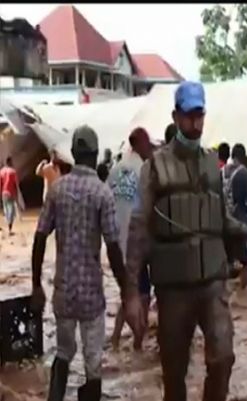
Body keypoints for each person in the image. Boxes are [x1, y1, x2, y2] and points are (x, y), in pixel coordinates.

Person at [124, 81, 247, 401]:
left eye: (200, 115)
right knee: (174, 375)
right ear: (176, 117)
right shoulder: (155, 167)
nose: (195, 123)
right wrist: (132, 294)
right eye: (189, 115)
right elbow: (138, 229)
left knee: (223, 358)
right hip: (174, 288)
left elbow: (222, 221)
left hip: (212, 283)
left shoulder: (211, 164)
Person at [30, 125, 143, 401]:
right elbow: (114, 249)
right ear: (93, 155)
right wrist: (128, 291)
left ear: (74, 153)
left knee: (63, 353)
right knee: (93, 364)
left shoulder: (57, 189)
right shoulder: (102, 193)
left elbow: (40, 238)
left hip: (64, 292)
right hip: (92, 294)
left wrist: (36, 285)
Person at [108, 127, 155, 350]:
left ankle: (116, 340)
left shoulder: (115, 170)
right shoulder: (145, 169)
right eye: (149, 144)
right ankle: (137, 343)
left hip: (118, 241)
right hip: (140, 237)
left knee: (129, 291)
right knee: (142, 294)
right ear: (142, 144)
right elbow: (152, 205)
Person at [223, 143, 247, 288]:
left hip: (223, 221)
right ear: (243, 156)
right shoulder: (244, 173)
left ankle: (226, 293)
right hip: (238, 221)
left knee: (228, 260)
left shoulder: (222, 171)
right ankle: (242, 293)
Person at [0, 157, 20, 235]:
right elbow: (16, 184)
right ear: (10, 162)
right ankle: (9, 228)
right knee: (12, 210)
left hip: (3, 193)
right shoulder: (13, 172)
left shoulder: (1, 172)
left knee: (6, 209)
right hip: (11, 192)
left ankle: (8, 226)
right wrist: (17, 195)